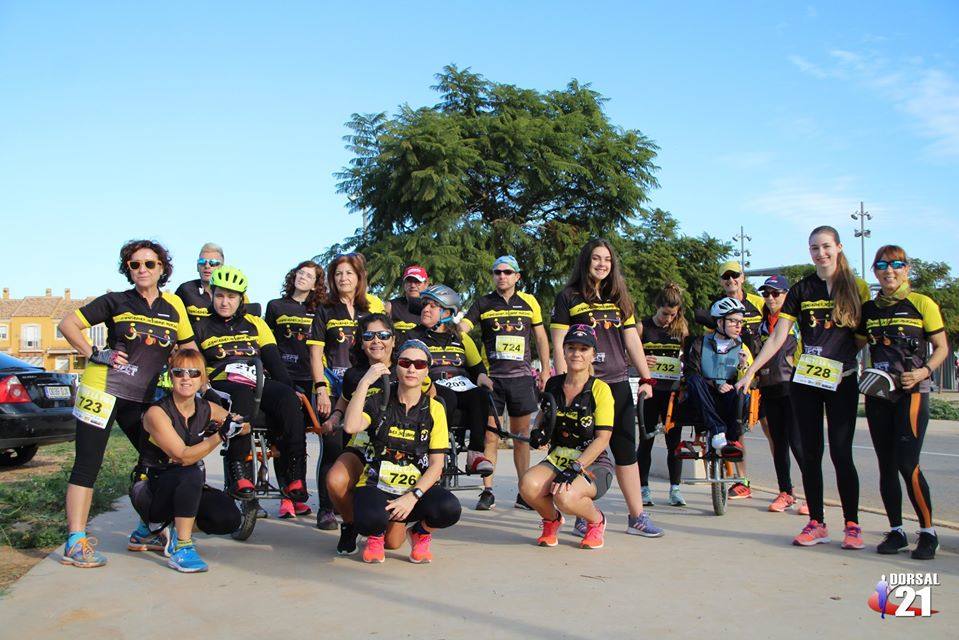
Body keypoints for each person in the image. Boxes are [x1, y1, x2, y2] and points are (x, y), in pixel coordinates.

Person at [57, 239, 197, 568]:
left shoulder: (174, 306)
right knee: (88, 464)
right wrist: (93, 353)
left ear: (162, 268)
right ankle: (75, 541)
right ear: (128, 270)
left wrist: (196, 383)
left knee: (159, 458)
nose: (142, 270)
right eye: (135, 264)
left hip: (143, 398)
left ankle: (147, 528)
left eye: (150, 264)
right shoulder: (116, 300)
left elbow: (187, 349)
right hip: (101, 390)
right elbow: (68, 324)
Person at [738, 226, 870, 549]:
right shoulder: (801, 290)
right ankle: (817, 522)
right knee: (810, 453)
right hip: (806, 381)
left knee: (841, 452)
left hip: (843, 380)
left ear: (838, 247)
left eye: (826, 246)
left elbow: (865, 336)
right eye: (814, 248)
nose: (820, 253)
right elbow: (778, 336)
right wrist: (751, 371)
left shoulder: (858, 288)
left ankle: (852, 525)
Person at [551, 239, 662, 538]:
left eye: (608, 260)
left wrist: (646, 378)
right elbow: (559, 342)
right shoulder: (568, 297)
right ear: (586, 261)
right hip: (583, 388)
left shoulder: (620, 298)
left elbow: (632, 341)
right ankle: (581, 513)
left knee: (626, 450)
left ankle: (637, 516)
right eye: (596, 258)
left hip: (616, 385)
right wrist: (564, 386)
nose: (602, 264)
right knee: (583, 452)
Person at [857, 245, 948, 560]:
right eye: (881, 265)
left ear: (907, 268)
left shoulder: (922, 304)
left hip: (912, 394)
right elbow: (850, 344)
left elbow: (941, 348)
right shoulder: (868, 309)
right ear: (875, 271)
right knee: (884, 465)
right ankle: (896, 531)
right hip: (878, 396)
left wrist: (924, 371)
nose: (889, 270)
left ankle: (928, 532)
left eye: (896, 264)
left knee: (907, 464)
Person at [192, 266, 309, 506]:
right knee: (241, 396)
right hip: (225, 382)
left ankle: (295, 475)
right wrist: (204, 388)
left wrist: (291, 389)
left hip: (257, 379)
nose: (225, 302)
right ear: (212, 295)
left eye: (231, 296)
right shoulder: (201, 327)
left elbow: (275, 363)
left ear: (241, 298)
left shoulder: (256, 324)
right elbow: (196, 365)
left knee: (287, 397)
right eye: (220, 295)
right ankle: (240, 472)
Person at [344, 340, 462, 564]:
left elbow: (437, 464)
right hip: (376, 485)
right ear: (396, 366)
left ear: (427, 370)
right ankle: (375, 536)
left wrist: (412, 496)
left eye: (419, 364)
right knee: (369, 519)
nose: (411, 369)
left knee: (449, 508)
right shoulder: (379, 400)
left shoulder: (435, 409)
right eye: (406, 362)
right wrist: (364, 383)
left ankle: (420, 533)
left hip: (414, 490)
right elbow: (350, 426)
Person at [132, 349, 249, 573]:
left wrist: (236, 425)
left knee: (228, 517)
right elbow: (183, 456)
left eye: (194, 373)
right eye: (179, 372)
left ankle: (157, 530)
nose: (186, 378)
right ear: (170, 376)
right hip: (152, 488)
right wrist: (221, 435)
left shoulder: (205, 408)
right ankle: (181, 547)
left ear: (203, 379)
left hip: (184, 486)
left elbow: (244, 425)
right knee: (191, 470)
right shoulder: (156, 413)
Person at [461, 255, 551, 511]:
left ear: (517, 277)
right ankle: (487, 491)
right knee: (491, 436)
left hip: (521, 379)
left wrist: (545, 371)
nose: (502, 276)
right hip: (494, 381)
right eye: (497, 272)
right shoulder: (484, 302)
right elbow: (463, 328)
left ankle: (524, 492)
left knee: (521, 437)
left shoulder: (529, 302)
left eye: (507, 272)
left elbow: (541, 338)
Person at [308, 252, 386, 529]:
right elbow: (316, 355)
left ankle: (357, 500)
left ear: (359, 277)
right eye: (338, 273)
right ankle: (326, 508)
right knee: (332, 443)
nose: (343, 278)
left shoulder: (370, 308)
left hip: (364, 384)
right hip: (331, 385)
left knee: (363, 444)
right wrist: (320, 389)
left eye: (349, 273)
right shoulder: (325, 310)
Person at [519, 325, 615, 549]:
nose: (577, 354)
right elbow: (544, 414)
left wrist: (576, 468)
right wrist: (537, 432)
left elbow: (603, 439)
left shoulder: (600, 390)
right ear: (563, 351)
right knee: (527, 486)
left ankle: (596, 521)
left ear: (593, 354)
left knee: (566, 496)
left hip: (594, 464)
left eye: (584, 349)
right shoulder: (554, 384)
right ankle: (552, 521)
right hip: (557, 459)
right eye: (572, 348)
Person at [407, 284, 495, 498]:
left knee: (480, 395)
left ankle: (475, 454)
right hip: (431, 389)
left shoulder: (461, 338)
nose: (425, 309)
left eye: (432, 305)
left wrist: (483, 376)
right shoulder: (415, 337)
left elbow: (477, 368)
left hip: (461, 386)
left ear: (447, 312)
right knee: (445, 397)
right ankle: (435, 454)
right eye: (424, 305)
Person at [323, 313, 397, 555]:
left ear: (393, 340)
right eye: (369, 336)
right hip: (361, 443)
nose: (376, 341)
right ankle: (351, 524)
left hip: (398, 448)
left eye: (383, 335)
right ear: (361, 342)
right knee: (335, 479)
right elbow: (344, 402)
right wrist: (334, 416)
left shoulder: (407, 368)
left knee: (393, 543)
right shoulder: (354, 374)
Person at [264, 259, 328, 518]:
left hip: (307, 377)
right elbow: (265, 341)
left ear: (316, 285)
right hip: (280, 377)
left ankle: (297, 492)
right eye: (300, 273)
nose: (303, 277)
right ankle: (285, 497)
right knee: (280, 435)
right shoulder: (275, 306)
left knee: (298, 435)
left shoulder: (319, 310)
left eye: (309, 276)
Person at [756, 275, 808, 515]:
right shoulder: (762, 324)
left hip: (793, 387)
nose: (770, 298)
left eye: (776, 293)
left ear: (787, 294)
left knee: (798, 442)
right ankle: (785, 491)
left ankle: (812, 495)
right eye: (766, 293)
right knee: (778, 443)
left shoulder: (796, 321)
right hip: (769, 388)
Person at [636, 283, 688, 507]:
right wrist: (638, 361)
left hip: (672, 393)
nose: (668, 319)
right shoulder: (642, 327)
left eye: (673, 314)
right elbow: (626, 355)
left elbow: (689, 357)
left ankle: (675, 490)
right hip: (649, 392)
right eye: (665, 313)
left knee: (673, 443)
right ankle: (643, 489)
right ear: (657, 307)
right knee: (646, 441)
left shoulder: (681, 329)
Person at [682, 297, 752, 458]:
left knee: (741, 393)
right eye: (733, 321)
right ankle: (717, 429)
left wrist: (743, 366)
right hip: (704, 396)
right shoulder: (700, 343)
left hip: (728, 398)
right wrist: (715, 384)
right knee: (693, 380)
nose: (738, 326)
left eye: (740, 322)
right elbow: (691, 371)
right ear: (720, 323)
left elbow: (750, 379)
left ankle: (730, 439)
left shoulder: (743, 346)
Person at [174, 242, 225, 326]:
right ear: (197, 266)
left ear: (222, 267)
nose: (207, 266)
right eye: (202, 262)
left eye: (213, 262)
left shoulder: (233, 293)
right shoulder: (185, 290)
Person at [386, 265, 429, 343]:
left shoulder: (433, 308)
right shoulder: (391, 306)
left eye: (417, 282)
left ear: (426, 284)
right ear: (404, 284)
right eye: (409, 281)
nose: (412, 285)